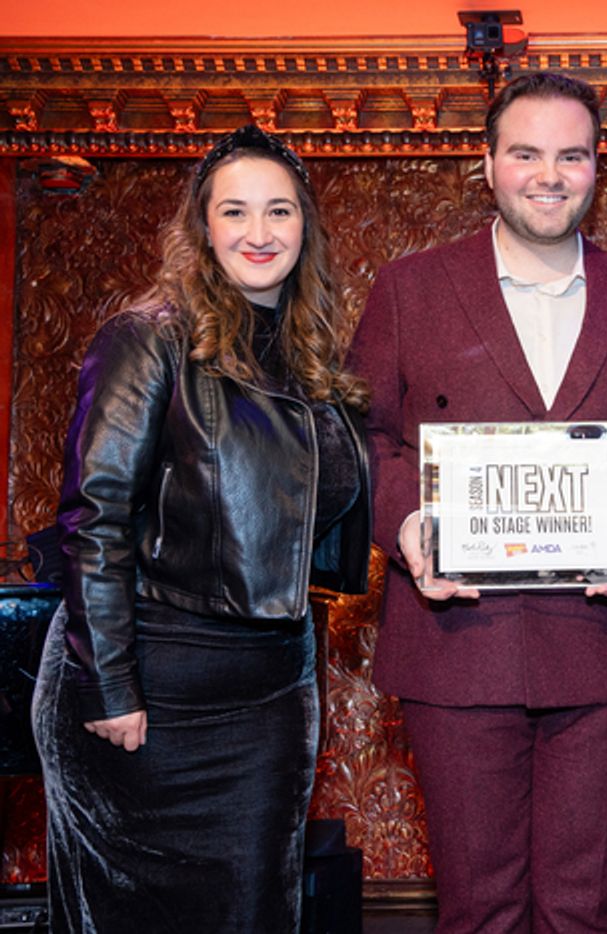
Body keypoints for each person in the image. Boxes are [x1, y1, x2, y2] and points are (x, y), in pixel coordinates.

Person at [349, 72, 607, 933]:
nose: (550, 174)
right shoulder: (409, 289)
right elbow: (366, 436)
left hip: (602, 644)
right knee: (478, 907)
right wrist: (407, 523)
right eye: (526, 153)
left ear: (596, 167)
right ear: (488, 164)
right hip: (457, 643)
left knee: (586, 906)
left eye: (571, 155)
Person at [32, 124, 372, 933]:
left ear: (305, 228)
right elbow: (94, 520)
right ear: (202, 226)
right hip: (148, 697)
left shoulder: (313, 362)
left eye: (280, 211)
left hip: (267, 704)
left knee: (256, 913)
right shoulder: (150, 337)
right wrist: (110, 685)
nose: (260, 233)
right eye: (236, 212)